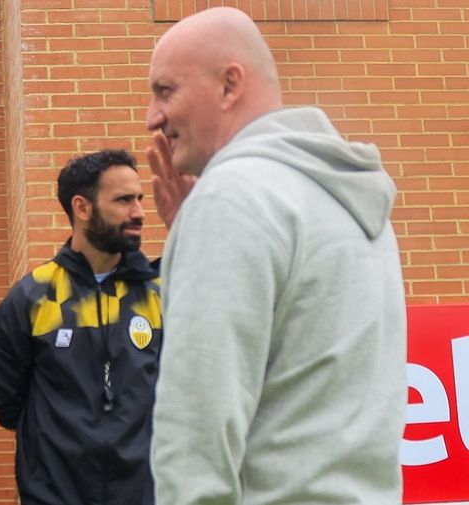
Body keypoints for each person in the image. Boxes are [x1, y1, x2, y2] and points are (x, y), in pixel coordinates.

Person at [145, 7, 407, 505]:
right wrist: (195, 243)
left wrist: (209, 224)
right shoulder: (348, 196)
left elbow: (195, 432)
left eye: (165, 90)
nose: (152, 116)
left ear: (229, 85)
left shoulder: (234, 199)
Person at [0, 149, 162, 505]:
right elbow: (9, 407)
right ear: (82, 208)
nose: (139, 212)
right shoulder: (32, 298)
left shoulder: (160, 295)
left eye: (140, 199)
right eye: (124, 200)